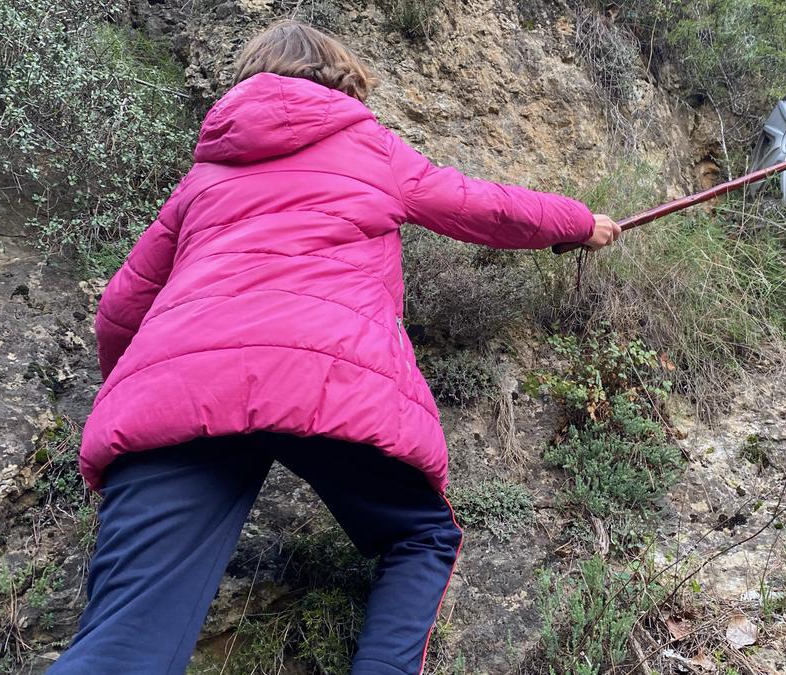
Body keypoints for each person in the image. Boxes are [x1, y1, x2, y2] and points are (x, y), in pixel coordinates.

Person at [48, 19, 620, 675]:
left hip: (178, 393)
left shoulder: (203, 180)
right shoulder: (368, 147)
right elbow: (481, 207)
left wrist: (142, 398)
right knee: (420, 536)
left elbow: (120, 308)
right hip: (322, 375)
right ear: (342, 80)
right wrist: (580, 222)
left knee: (121, 647)